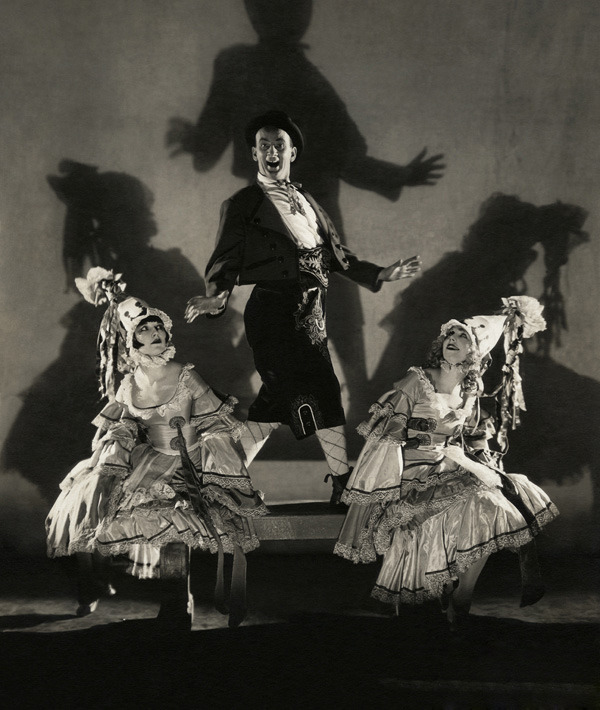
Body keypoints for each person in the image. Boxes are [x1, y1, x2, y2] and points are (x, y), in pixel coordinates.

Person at [184, 110, 422, 504]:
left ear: (292, 152)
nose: (271, 152)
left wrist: (381, 273)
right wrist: (217, 296)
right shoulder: (243, 203)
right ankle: (341, 482)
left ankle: (220, 480)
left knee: (283, 401)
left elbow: (338, 256)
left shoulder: (308, 201)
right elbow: (224, 258)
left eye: (279, 145)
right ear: (254, 154)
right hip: (273, 312)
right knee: (314, 388)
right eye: (263, 145)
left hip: (312, 313)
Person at [46, 267, 267, 629]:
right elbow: (123, 427)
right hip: (150, 463)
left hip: (192, 460)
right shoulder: (128, 385)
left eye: (157, 327)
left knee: (178, 519)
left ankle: (176, 603)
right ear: (132, 342)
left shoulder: (184, 374)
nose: (155, 334)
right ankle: (101, 585)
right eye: (144, 330)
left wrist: (215, 458)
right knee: (98, 509)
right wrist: (112, 455)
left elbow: (214, 421)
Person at [334, 295, 559, 629]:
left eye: (463, 337)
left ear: (476, 351)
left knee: (497, 506)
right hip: (408, 473)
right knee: (448, 513)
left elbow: (469, 436)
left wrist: (477, 461)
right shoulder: (417, 380)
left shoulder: (471, 388)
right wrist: (382, 487)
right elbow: (386, 438)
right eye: (450, 334)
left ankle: (462, 596)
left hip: (447, 465)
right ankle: (440, 594)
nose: (452, 340)